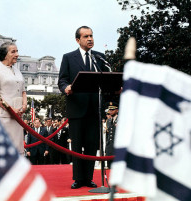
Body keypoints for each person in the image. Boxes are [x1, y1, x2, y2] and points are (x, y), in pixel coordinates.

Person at [58, 26, 109, 189]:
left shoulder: (99, 58)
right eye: (86, 36)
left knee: (91, 145)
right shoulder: (68, 57)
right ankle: (78, 178)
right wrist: (66, 87)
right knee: (78, 145)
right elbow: (62, 80)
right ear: (77, 40)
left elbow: (107, 78)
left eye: (91, 36)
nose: (90, 39)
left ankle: (88, 177)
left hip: (95, 109)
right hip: (76, 108)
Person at [0, 41, 27, 155]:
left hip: (18, 116)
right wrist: (10, 109)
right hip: (3, 116)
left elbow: (24, 91)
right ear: (5, 54)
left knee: (18, 149)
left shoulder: (18, 71)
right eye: (13, 52)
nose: (17, 54)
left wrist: (24, 106)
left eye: (17, 51)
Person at [106, 102, 118, 168]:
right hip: (109, 147)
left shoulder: (121, 119)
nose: (110, 111)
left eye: (112, 110)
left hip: (117, 146)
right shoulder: (109, 120)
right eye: (110, 110)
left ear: (117, 110)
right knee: (109, 167)